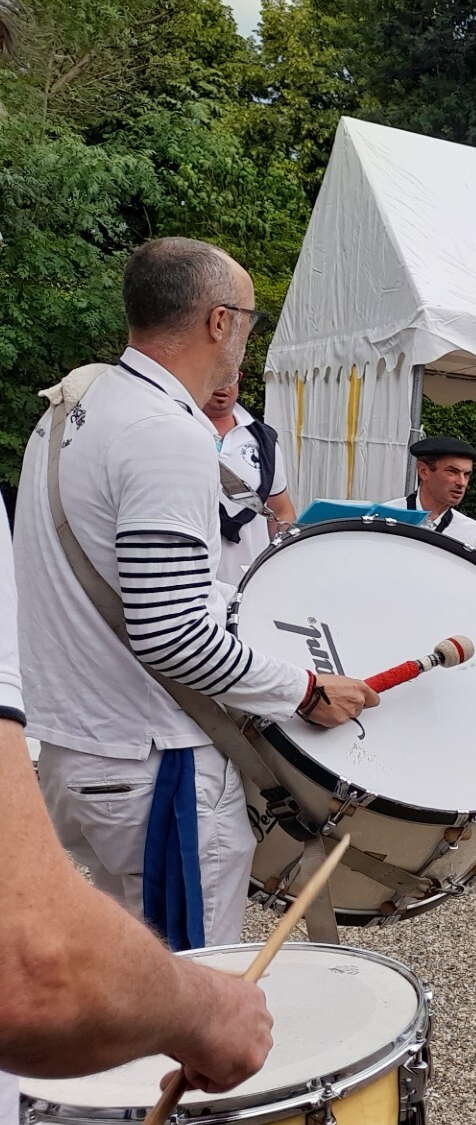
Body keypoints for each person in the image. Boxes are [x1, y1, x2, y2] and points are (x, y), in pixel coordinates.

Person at [16, 237, 375, 949]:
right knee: (187, 988)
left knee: (122, 977)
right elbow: (171, 634)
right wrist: (305, 688)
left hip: (72, 752)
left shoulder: (67, 410)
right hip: (152, 767)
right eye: (249, 318)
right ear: (219, 322)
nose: (246, 337)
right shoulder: (165, 432)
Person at [0, 496, 275, 1125]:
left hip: (74, 750)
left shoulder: (60, 428)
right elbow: (33, 966)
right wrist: (203, 1010)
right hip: (154, 754)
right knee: (194, 953)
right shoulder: (158, 429)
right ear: (226, 349)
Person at [202, 377, 293, 587]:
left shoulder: (263, 440)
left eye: (230, 377)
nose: (222, 385)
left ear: (240, 378)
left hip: (253, 586)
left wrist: (285, 558)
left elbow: (281, 510)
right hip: (194, 587)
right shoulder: (175, 432)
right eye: (217, 375)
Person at [384, 434, 476, 549]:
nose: (462, 482)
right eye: (452, 471)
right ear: (424, 472)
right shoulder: (386, 516)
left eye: (466, 474)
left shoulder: (470, 531)